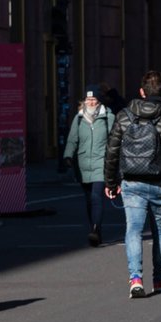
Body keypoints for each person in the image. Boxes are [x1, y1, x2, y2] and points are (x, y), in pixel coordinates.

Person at [104, 70, 161, 298]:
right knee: (160, 231)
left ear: (141, 92)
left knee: (133, 229)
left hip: (131, 181)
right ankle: (160, 279)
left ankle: (135, 278)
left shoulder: (124, 115)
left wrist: (111, 182)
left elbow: (112, 151)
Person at [61, 88, 113, 247]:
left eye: (94, 99)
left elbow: (115, 140)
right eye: (88, 100)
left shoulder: (108, 117)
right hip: (82, 164)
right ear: (84, 101)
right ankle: (95, 229)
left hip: (101, 163)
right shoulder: (79, 118)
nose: (91, 102)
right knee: (89, 200)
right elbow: (72, 140)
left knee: (97, 197)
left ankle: (96, 229)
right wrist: (68, 156)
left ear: (99, 101)